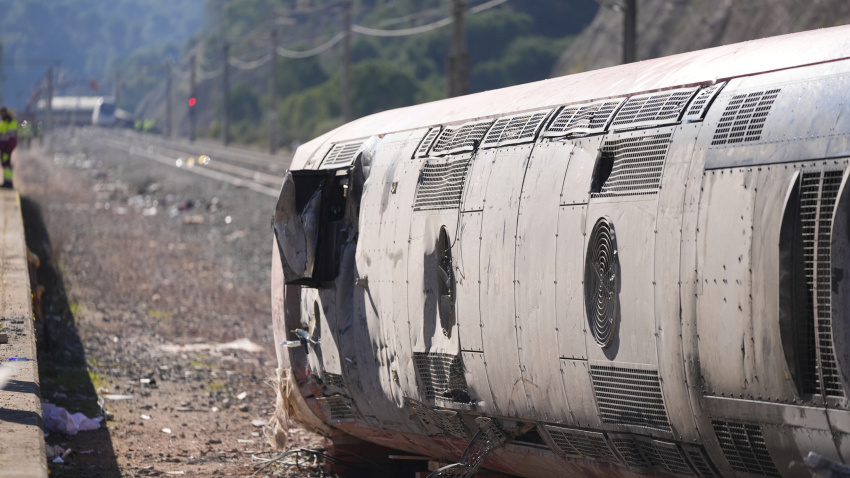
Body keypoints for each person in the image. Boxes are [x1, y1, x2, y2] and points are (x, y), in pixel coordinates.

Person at [0, 108, 18, 189]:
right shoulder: (4, 121)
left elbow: (12, 137)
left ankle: (8, 182)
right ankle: (7, 182)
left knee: (6, 164)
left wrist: (9, 147)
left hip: (7, 147)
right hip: (4, 147)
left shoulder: (10, 122)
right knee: (5, 164)